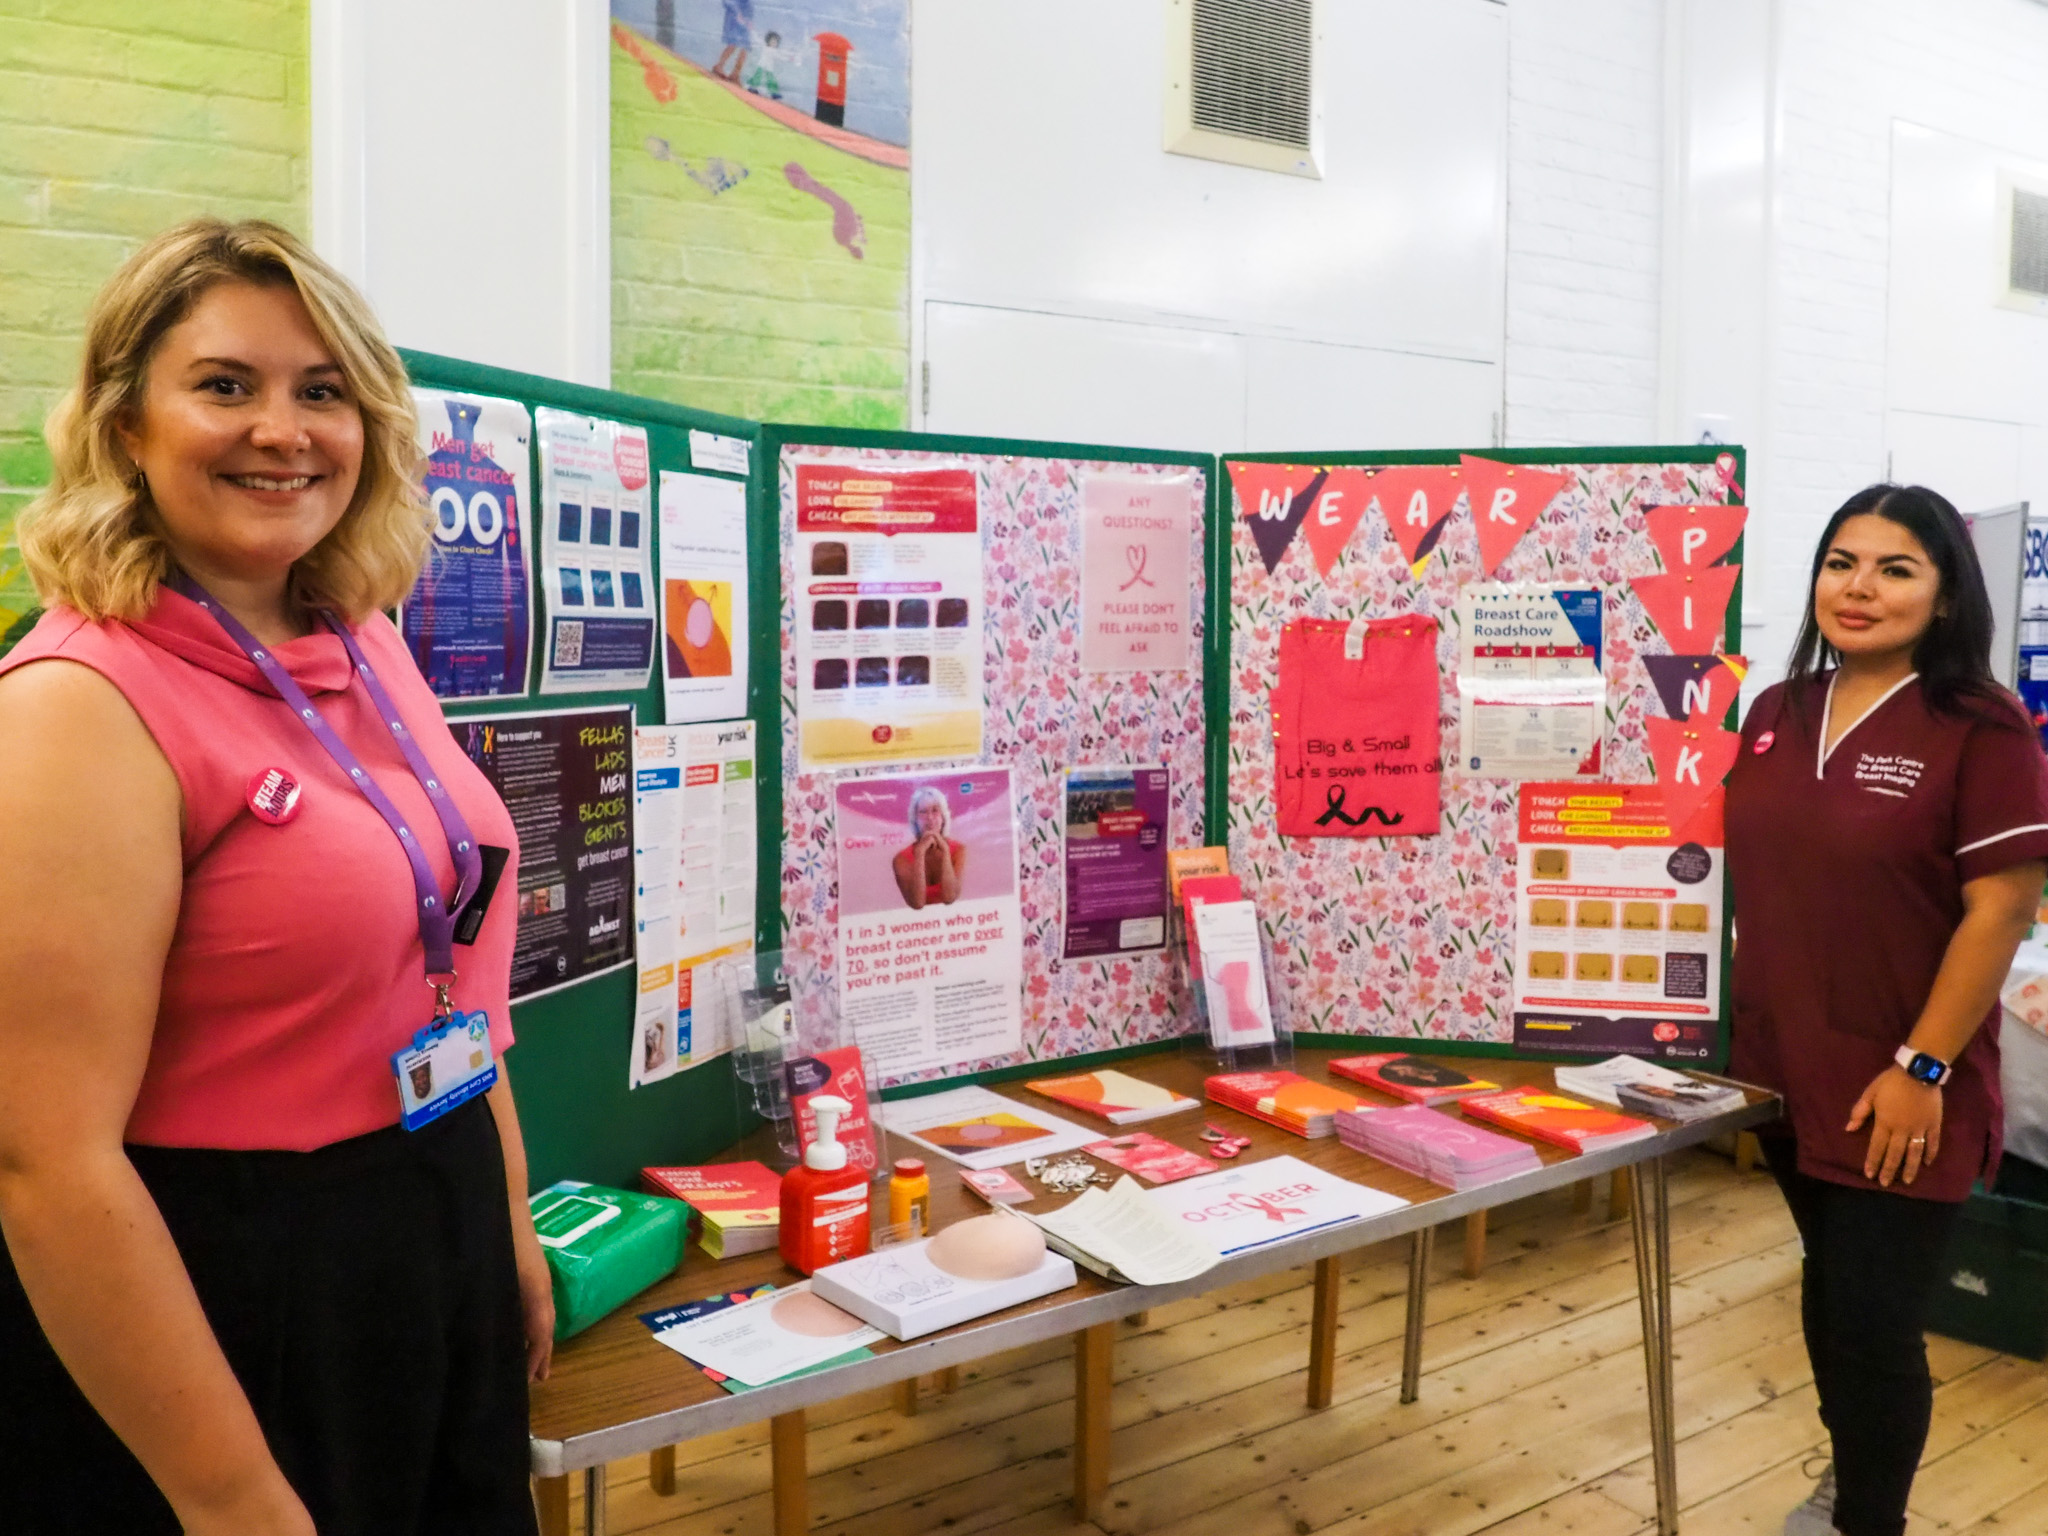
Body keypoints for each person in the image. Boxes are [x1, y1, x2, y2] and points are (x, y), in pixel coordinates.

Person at [0, 219, 550, 1535]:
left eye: (323, 392)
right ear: (126, 424)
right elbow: (46, 1163)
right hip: (231, 1283)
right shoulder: (82, 701)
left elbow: (450, 969)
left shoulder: (357, 634)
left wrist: (505, 1226)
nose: (284, 429)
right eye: (226, 386)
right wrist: (232, 1494)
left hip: (433, 1210)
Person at [1724, 484, 2048, 1536]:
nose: (1858, 588)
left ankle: (1869, 1517)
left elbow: (1998, 910)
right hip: (1777, 1065)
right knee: (1829, 1295)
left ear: (1947, 594)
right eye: (1840, 562)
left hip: (1901, 1079)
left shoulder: (1978, 725)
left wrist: (1919, 1071)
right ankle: (1848, 1481)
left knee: (1870, 1320)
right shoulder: (1774, 714)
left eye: (1895, 568)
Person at [892, 785, 966, 908]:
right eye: (923, 812)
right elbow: (917, 904)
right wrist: (920, 853)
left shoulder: (959, 850)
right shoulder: (900, 859)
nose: (930, 818)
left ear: (943, 817)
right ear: (914, 819)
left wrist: (945, 852)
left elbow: (949, 898)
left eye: (935, 810)